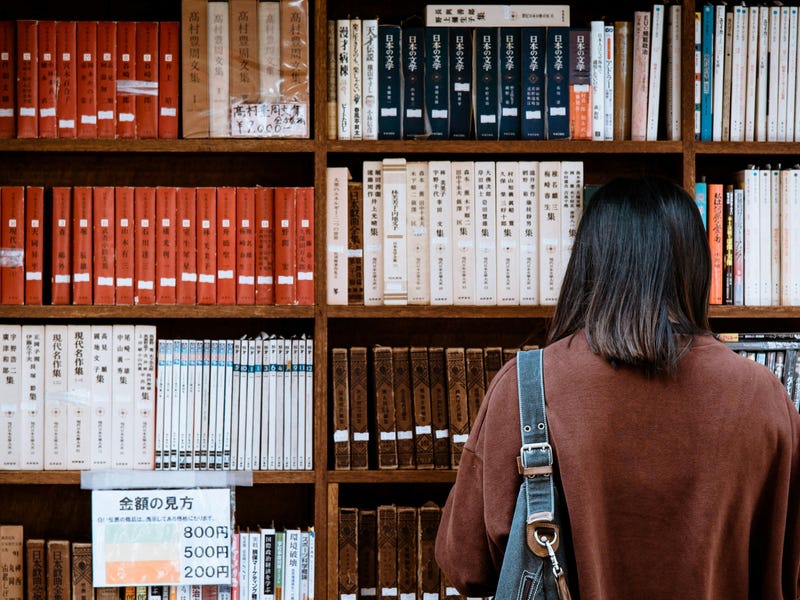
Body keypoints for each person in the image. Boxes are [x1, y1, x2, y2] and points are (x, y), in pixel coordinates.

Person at [435, 176, 800, 598]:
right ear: (697, 268)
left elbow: (464, 565)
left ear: (587, 265)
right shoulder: (763, 397)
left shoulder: (526, 387)